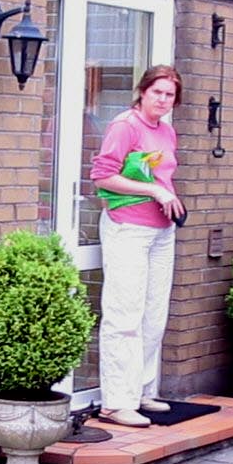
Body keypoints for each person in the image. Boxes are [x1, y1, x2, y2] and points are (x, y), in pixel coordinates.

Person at [85, 67, 184, 427]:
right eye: (157, 92)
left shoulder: (166, 131)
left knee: (153, 314)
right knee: (123, 314)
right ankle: (116, 402)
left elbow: (162, 175)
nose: (162, 100)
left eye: (169, 95)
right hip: (128, 228)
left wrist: (168, 195)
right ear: (142, 92)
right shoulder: (125, 125)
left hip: (161, 230)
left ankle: (141, 391)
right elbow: (102, 175)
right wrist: (154, 190)